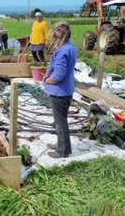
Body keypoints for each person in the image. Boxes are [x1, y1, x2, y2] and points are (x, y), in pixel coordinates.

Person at [42, 21, 77, 158]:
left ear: (60, 37)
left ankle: (62, 150)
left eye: (56, 38)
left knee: (60, 122)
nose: (55, 41)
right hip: (67, 89)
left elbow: (59, 74)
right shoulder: (71, 46)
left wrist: (48, 79)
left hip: (59, 91)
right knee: (61, 120)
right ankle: (61, 144)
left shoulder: (62, 51)